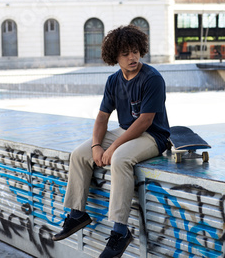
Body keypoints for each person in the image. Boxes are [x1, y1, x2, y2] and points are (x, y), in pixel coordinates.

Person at [52, 25, 170, 258]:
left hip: (153, 136)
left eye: (135, 51)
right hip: (127, 131)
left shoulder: (153, 79)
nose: (132, 57)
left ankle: (120, 231)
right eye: (125, 53)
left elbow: (145, 121)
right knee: (79, 154)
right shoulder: (113, 81)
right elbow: (102, 118)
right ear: (115, 56)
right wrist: (97, 146)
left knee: (120, 159)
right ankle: (77, 214)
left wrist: (113, 146)